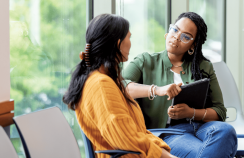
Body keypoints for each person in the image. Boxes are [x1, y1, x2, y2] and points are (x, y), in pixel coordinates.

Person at [62, 14, 178, 158]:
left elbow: (134, 133)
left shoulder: (104, 80)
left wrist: (162, 150)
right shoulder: (101, 85)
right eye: (129, 37)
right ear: (118, 43)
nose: (130, 43)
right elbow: (127, 139)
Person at [123, 12, 238, 158]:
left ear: (193, 44)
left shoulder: (204, 66)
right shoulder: (145, 61)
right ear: (168, 31)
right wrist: (157, 90)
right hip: (170, 133)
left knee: (226, 131)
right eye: (175, 30)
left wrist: (191, 112)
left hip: (203, 127)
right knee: (211, 151)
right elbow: (121, 86)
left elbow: (220, 111)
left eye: (186, 37)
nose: (176, 37)